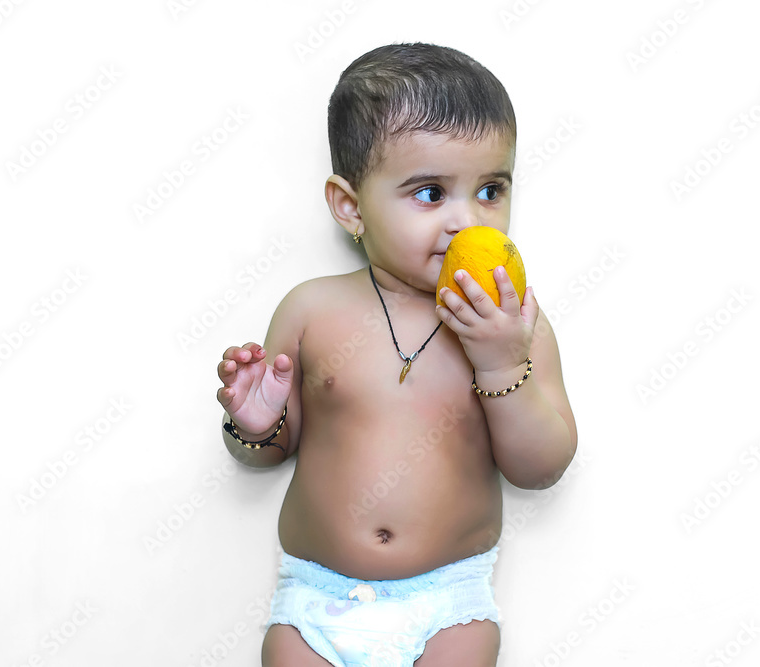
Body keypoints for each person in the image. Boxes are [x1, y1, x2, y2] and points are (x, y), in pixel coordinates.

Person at [216, 42, 577, 666]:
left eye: (491, 190)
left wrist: (500, 363)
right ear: (350, 206)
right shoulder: (311, 309)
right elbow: (266, 453)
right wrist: (255, 424)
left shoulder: (515, 323)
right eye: (431, 193)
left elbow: (541, 468)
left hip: (447, 607)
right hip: (316, 602)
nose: (468, 219)